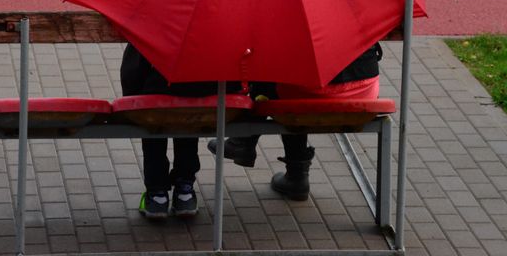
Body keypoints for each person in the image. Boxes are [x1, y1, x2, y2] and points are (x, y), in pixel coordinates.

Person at [208, 43, 382, 201]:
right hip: (363, 94)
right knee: (294, 77)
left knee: (274, 71)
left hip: (302, 96)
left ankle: (247, 142)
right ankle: (294, 174)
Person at [121, 43, 243, 219]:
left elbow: (132, 71)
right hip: (205, 100)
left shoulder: (154, 28)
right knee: (188, 118)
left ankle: (156, 194)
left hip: (156, 100)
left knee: (153, 122)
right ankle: (184, 190)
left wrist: (131, 97)